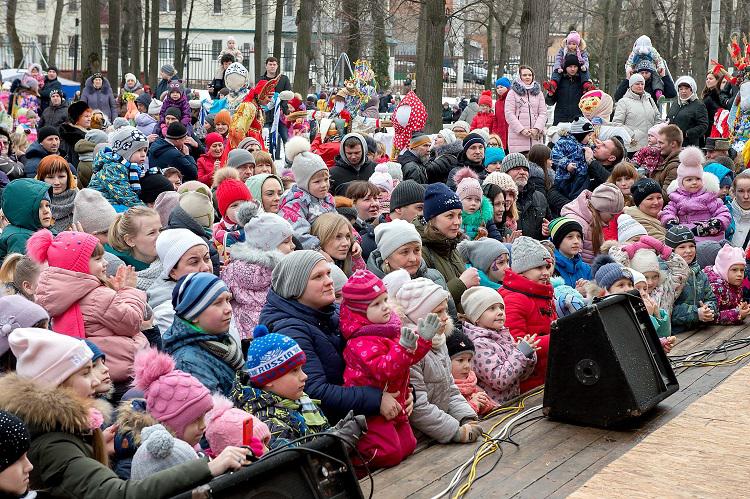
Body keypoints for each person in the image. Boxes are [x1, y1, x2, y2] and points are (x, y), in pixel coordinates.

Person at [0, 329, 246, 497]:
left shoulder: (65, 430)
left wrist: (99, 452)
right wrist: (208, 468)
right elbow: (118, 494)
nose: (96, 381)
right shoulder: (54, 445)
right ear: (57, 385)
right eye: (85, 373)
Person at [258, 251, 401, 424]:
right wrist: (376, 400)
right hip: (337, 425)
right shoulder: (290, 330)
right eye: (318, 277)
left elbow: (379, 355)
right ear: (295, 287)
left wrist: (403, 392)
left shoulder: (333, 311)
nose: (329, 281)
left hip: (363, 412)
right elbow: (315, 391)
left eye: (328, 273)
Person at [339, 270, 437, 469]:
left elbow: (406, 360)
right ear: (359, 312)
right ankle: (354, 465)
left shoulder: (387, 328)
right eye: (376, 304)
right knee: (388, 453)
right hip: (372, 410)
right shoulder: (359, 342)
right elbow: (384, 369)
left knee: (409, 444)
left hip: (396, 399)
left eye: (385, 300)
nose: (385, 307)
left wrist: (424, 341)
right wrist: (402, 348)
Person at [231, 329, 330, 449]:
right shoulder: (265, 422)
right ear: (268, 380)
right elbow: (300, 461)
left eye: (301, 369)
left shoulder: (300, 398)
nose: (304, 376)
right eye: (294, 371)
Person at [162, 272, 243, 397]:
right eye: (218, 303)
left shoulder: (219, 339)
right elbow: (211, 412)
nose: (228, 309)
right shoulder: (188, 364)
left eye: (227, 300)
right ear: (193, 315)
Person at [222, 207, 295, 342]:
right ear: (267, 246)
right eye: (286, 242)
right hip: (278, 331)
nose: (293, 246)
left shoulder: (231, 270)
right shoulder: (284, 272)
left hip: (243, 335)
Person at [460, 287, 538, 404]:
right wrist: (520, 354)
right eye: (492, 308)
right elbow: (500, 381)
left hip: (513, 402)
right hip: (495, 410)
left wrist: (529, 355)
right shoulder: (478, 344)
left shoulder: (504, 335)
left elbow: (521, 376)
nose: (500, 312)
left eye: (501, 307)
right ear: (476, 317)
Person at [414, 183, 478, 309]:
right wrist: (461, 284)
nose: (457, 222)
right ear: (432, 218)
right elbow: (426, 304)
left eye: (459, 215)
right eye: (450, 216)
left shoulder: (451, 243)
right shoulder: (420, 251)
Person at [660, 147, 730, 242]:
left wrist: (714, 224)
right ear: (681, 182)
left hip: (707, 236)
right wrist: (670, 222)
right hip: (685, 236)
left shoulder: (709, 196)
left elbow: (723, 213)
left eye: (698, 179)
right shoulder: (676, 198)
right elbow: (668, 211)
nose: (694, 182)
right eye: (689, 179)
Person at [278, 136, 336, 249]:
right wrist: (319, 250)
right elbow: (298, 234)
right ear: (304, 183)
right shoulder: (295, 204)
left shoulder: (326, 199)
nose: (324, 185)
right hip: (313, 255)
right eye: (317, 181)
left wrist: (352, 239)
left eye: (326, 179)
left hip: (334, 245)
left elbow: (339, 222)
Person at [89, 127, 157, 210]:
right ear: (125, 151)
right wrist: (144, 209)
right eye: (138, 150)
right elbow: (124, 195)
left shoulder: (132, 167)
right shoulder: (113, 168)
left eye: (145, 150)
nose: (143, 154)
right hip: (100, 205)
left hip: (111, 202)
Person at [667, 225, 718, 333]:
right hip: (676, 335)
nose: (688, 251)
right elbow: (666, 309)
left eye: (691, 246)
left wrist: (708, 310)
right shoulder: (667, 275)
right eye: (682, 247)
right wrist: (695, 313)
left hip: (700, 331)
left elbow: (711, 299)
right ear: (671, 250)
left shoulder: (700, 274)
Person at [561, 182, 624, 263]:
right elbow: (573, 259)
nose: (612, 219)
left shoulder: (595, 221)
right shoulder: (579, 223)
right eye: (611, 215)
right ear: (601, 209)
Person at [446, 329, 498, 416]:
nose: (467, 366)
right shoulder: (445, 390)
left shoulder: (471, 382)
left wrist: (484, 402)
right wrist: (473, 405)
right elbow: (453, 417)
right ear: (446, 361)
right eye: (460, 360)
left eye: (469, 360)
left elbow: (491, 407)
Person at [502, 153, 551, 240]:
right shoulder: (500, 198)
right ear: (505, 173)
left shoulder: (540, 197)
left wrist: (548, 228)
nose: (522, 172)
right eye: (517, 168)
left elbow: (549, 221)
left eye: (525, 169)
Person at [0, 178, 52, 259]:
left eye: (47, 205)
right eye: (39, 207)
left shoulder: (38, 228)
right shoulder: (20, 238)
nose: (46, 211)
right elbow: (21, 270)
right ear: (24, 211)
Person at [611, 73, 661, 153]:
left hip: (651, 146)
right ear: (631, 85)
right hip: (633, 147)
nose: (640, 86)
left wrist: (656, 134)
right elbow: (617, 123)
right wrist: (632, 134)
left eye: (642, 84)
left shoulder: (649, 99)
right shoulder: (623, 102)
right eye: (637, 84)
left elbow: (657, 118)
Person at [505, 65, 547, 153]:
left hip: (535, 139)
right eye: (524, 75)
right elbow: (509, 114)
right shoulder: (512, 93)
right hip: (518, 139)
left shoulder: (538, 93)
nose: (527, 77)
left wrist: (537, 128)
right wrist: (522, 130)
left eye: (529, 75)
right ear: (520, 77)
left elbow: (543, 113)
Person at [703, 244, 748, 324]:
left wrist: (740, 308)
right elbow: (711, 316)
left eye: (742, 270)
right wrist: (737, 314)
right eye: (734, 270)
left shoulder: (734, 282)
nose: (739, 274)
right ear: (723, 269)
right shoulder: (715, 287)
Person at [454, 168, 501, 240]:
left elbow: (496, 238)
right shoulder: (454, 217)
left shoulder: (484, 217)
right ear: (459, 199)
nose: (473, 203)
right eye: (469, 199)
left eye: (477, 200)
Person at [34, 154, 77, 233]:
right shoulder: (33, 204)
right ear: (41, 179)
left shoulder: (80, 201)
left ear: (68, 178)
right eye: (50, 177)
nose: (56, 182)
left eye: (61, 176)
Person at [666, 76, 708, 147]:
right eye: (681, 89)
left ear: (692, 90)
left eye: (686, 88)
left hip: (689, 145)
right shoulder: (675, 103)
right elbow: (669, 118)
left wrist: (687, 133)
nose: (683, 91)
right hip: (673, 144)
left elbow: (703, 126)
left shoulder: (698, 105)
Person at [549, 217, 591, 286]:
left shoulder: (586, 269)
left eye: (579, 236)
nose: (576, 241)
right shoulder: (549, 268)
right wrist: (577, 293)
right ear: (558, 241)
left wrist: (590, 289)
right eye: (570, 237)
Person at [546, 54, 586, 125]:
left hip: (578, 120)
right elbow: (549, 103)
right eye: (570, 66)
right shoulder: (559, 80)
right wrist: (550, 94)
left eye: (575, 66)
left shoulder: (582, 81)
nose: (573, 69)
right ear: (565, 67)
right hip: (560, 120)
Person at [493, 77, 512, 148]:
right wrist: (494, 132)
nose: (499, 89)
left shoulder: (512, 99)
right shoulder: (497, 103)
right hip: (500, 132)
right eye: (497, 88)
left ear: (507, 87)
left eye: (501, 87)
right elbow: (496, 118)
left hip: (511, 132)